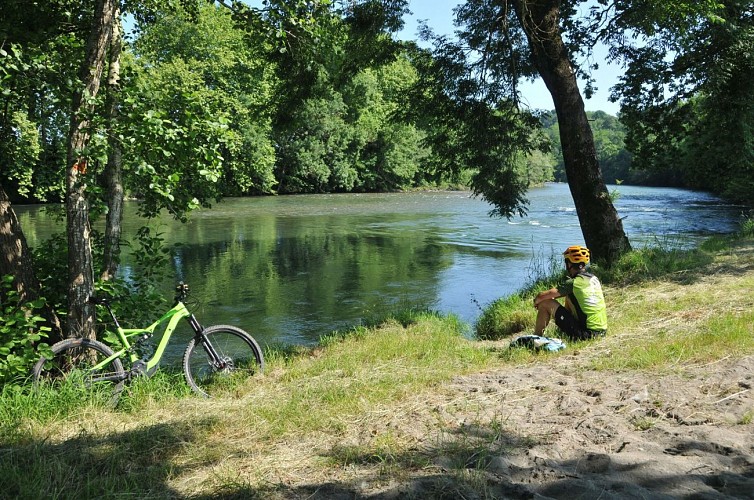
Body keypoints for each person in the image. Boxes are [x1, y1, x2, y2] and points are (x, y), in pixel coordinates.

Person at [532, 245, 607, 341]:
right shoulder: (593, 279)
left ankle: (536, 338)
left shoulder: (573, 283)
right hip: (601, 332)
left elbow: (541, 296)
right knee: (570, 296)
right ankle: (560, 331)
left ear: (569, 264)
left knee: (545, 303)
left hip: (586, 335)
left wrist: (536, 302)